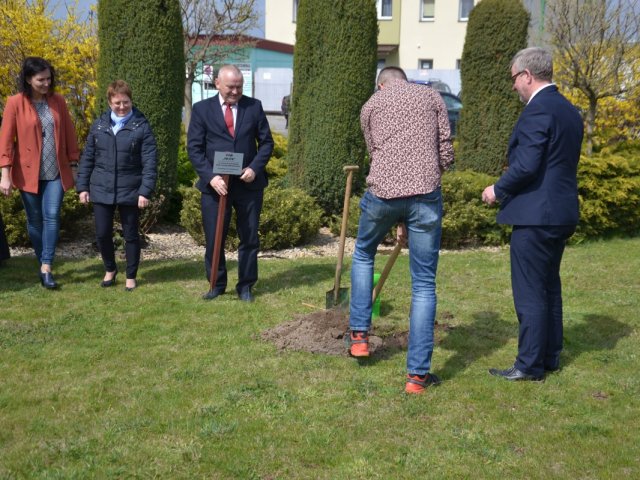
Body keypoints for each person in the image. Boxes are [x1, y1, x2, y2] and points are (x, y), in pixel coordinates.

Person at [348, 66, 454, 394]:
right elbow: (446, 152)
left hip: (382, 195)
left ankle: (360, 338)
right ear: (405, 80)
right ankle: (417, 378)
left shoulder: (371, 105)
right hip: (424, 195)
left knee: (364, 254)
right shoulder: (433, 96)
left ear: (382, 84)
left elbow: (373, 150)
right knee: (423, 284)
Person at [482, 47, 583, 381]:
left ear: (527, 75)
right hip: (562, 212)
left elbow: (527, 165)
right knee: (549, 286)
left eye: (514, 78)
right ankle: (550, 356)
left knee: (530, 291)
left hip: (537, 216)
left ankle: (528, 365)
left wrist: (497, 189)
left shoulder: (537, 110)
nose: (513, 86)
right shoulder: (569, 110)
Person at [187, 64, 274, 302]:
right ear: (217, 83)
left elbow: (266, 143)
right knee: (215, 237)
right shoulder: (201, 109)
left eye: (239, 86)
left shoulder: (253, 107)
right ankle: (216, 283)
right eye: (230, 87)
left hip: (248, 186)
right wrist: (211, 177)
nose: (235, 92)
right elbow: (194, 149)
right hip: (215, 186)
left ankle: (245, 285)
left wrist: (255, 168)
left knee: (249, 238)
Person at [0, 57, 79, 288]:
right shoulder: (15, 103)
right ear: (28, 79)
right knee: (34, 221)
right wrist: (5, 175)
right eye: (40, 79)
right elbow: (5, 141)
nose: (46, 83)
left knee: (52, 216)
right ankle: (42, 261)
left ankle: (46, 266)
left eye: (49, 78)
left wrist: (74, 165)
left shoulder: (58, 102)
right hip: (27, 174)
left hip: (56, 172)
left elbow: (69, 135)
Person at [76, 80, 157, 291]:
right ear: (109, 102)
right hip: (101, 188)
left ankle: (131, 275)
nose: (122, 107)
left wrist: (145, 190)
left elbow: (150, 162)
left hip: (131, 189)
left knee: (131, 234)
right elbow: (87, 159)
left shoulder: (142, 126)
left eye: (126, 102)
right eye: (117, 103)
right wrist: (83, 187)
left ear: (131, 100)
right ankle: (110, 269)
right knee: (102, 234)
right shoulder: (99, 126)